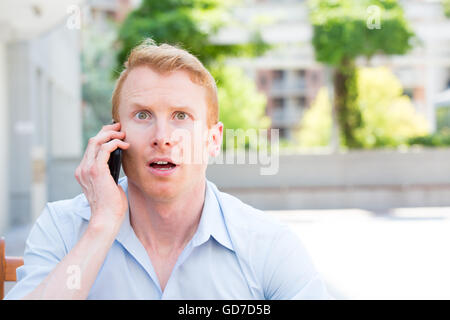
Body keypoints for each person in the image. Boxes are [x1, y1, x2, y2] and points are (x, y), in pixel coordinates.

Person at [5, 39, 330, 300]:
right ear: (115, 136)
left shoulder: (267, 244)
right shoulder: (61, 230)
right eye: (143, 115)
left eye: (181, 116)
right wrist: (102, 226)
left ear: (212, 141)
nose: (162, 138)